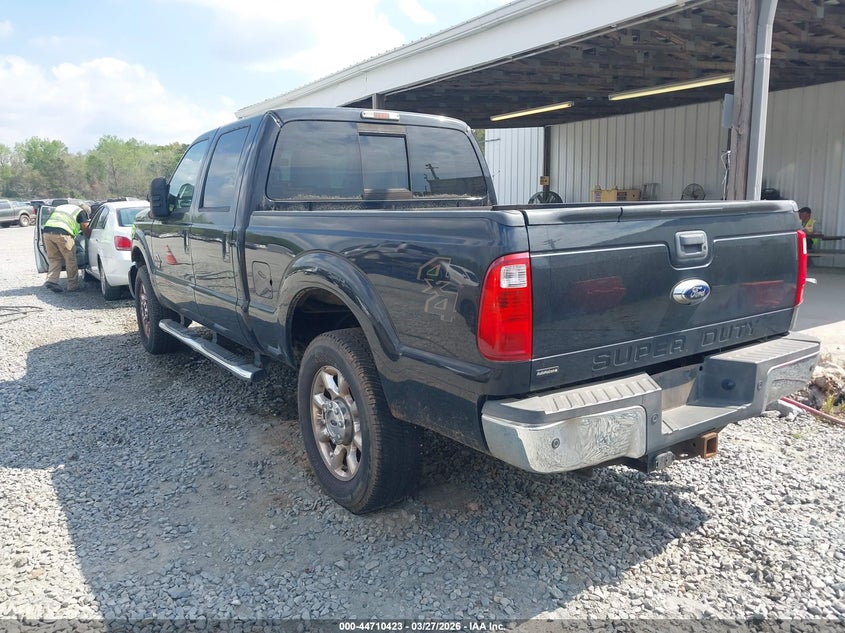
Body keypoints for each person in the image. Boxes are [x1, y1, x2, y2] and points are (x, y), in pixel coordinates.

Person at [42, 203, 91, 293]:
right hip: (63, 234)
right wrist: (89, 236)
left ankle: (51, 281)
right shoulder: (81, 212)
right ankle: (73, 286)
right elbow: (84, 226)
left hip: (47, 232)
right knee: (70, 259)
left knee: (54, 259)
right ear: (86, 212)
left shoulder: (62, 207)